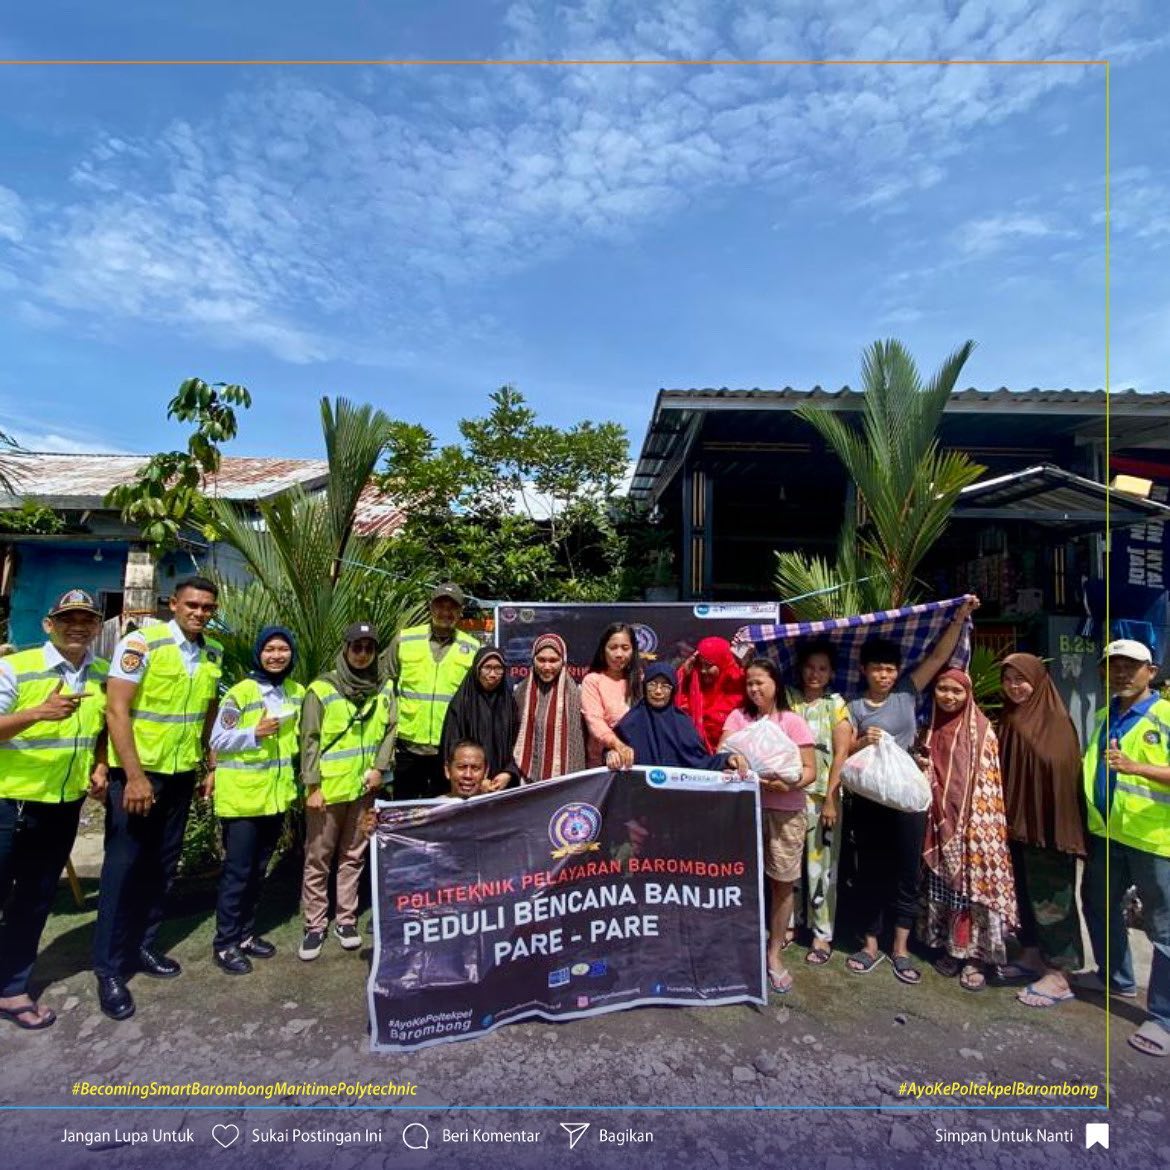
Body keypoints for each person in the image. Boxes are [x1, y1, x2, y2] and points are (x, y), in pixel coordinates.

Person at [94, 576, 223, 1021]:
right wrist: (131, 775)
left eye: (208, 607)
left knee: (161, 865)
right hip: (138, 775)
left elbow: (205, 716)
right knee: (123, 868)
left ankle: (143, 945)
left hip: (181, 774)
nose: (200, 613)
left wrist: (209, 766)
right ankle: (109, 969)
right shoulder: (142, 643)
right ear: (174, 604)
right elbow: (116, 709)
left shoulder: (212, 653)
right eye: (192, 605)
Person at [843, 595, 979, 986]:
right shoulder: (853, 706)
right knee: (869, 870)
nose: (884, 675)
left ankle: (900, 949)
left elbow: (938, 658)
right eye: (878, 669)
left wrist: (959, 617)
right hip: (869, 800)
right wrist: (860, 743)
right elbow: (843, 751)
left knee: (906, 872)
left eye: (890, 669)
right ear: (864, 670)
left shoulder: (907, 691)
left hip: (908, 798)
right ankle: (870, 944)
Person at [0, 590, 108, 1030]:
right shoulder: (16, 667)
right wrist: (38, 713)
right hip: (9, 805)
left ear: (98, 627)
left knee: (33, 900)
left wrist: (100, 764)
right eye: (67, 619)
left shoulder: (102, 674)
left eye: (86, 619)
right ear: (50, 624)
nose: (77, 626)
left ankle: (11, 990)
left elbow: (104, 728)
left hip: (64, 808)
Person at [1079, 639, 1170, 1058]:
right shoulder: (1103, 716)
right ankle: (1116, 978)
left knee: (1164, 929)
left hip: (1155, 841)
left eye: (1130, 667)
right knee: (1098, 905)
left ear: (1151, 671)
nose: (1120, 673)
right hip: (1109, 836)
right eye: (1113, 666)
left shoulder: (1166, 715)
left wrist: (1139, 769)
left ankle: (1163, 1017)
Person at [298, 622, 396, 961]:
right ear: (345, 649)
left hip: (363, 788)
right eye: (357, 647)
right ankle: (314, 924)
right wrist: (312, 785)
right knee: (319, 858)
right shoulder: (322, 689)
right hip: (327, 790)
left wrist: (379, 768)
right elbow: (308, 739)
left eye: (369, 649)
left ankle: (346, 919)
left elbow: (390, 730)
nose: (363, 654)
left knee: (353, 855)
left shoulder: (383, 688)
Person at [208, 627, 303, 975]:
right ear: (258, 653)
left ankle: (245, 934)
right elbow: (218, 737)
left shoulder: (295, 691)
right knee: (238, 873)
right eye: (270, 649)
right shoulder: (241, 692)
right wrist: (253, 733)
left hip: (274, 800)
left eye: (283, 650)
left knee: (258, 872)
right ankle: (225, 943)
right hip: (242, 801)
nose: (277, 656)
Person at [718, 659, 816, 995]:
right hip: (745, 809)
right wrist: (734, 759)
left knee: (782, 884)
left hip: (786, 812)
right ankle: (740, 949)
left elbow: (809, 771)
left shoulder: (792, 722)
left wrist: (787, 785)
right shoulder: (738, 718)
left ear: (776, 682)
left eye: (760, 682)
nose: (754, 689)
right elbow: (723, 754)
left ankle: (774, 955)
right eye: (749, 684)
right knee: (741, 881)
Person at [996, 653, 1088, 1009]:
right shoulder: (1010, 716)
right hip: (1016, 826)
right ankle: (1032, 954)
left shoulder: (1056, 722)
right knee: (1023, 895)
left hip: (1047, 830)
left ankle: (1061, 973)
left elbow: (1060, 776)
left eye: (1021, 680)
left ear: (1038, 680)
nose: (1014, 687)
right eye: (1008, 680)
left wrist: (1052, 825)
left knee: (1053, 900)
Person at [918, 669, 1018, 991]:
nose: (948, 696)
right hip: (936, 818)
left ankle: (974, 957)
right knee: (943, 887)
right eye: (942, 689)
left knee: (971, 890)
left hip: (973, 825)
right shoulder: (930, 727)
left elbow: (988, 782)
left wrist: (974, 826)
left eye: (956, 691)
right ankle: (948, 947)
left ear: (968, 694)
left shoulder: (982, 730)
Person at [382, 583, 478, 801]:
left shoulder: (472, 647)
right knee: (403, 810)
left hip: (447, 747)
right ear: (430, 608)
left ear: (460, 612)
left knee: (443, 811)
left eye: (452, 608)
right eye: (440, 606)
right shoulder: (404, 639)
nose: (445, 612)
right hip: (407, 746)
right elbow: (385, 685)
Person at [787, 640, 851, 965]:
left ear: (831, 674)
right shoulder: (788, 700)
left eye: (822, 669)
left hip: (821, 798)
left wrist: (831, 800)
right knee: (788, 863)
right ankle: (789, 925)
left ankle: (821, 934)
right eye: (810, 667)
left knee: (821, 867)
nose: (815, 673)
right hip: (787, 796)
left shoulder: (836, 704)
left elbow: (842, 753)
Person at [612, 661, 748, 772]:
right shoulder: (631, 722)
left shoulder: (683, 723)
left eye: (665, 686)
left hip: (676, 800)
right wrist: (612, 755)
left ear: (673, 690)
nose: (658, 691)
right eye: (652, 684)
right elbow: (613, 749)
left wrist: (727, 759)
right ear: (644, 686)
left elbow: (700, 762)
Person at [440, 647, 522, 792]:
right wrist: (479, 780)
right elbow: (451, 747)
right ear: (477, 670)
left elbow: (519, 744)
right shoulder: (462, 704)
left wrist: (509, 773)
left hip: (502, 788)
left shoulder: (509, 705)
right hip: (468, 786)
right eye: (487, 668)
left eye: (498, 669)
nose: (492, 674)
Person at [512, 633, 586, 782]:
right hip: (526, 781)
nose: (547, 667)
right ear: (533, 660)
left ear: (563, 661)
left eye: (553, 660)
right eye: (541, 660)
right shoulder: (521, 692)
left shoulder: (578, 694)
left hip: (568, 780)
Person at [581, 622, 642, 768]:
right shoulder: (593, 681)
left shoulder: (641, 680)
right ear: (603, 650)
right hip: (602, 764)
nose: (619, 654)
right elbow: (595, 722)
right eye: (613, 648)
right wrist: (617, 746)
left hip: (637, 763)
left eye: (625, 648)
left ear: (633, 651)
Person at [676, 636, 746, 753]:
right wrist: (685, 671)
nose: (703, 671)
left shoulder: (738, 688)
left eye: (709, 665)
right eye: (700, 665)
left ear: (723, 663)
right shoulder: (693, 687)